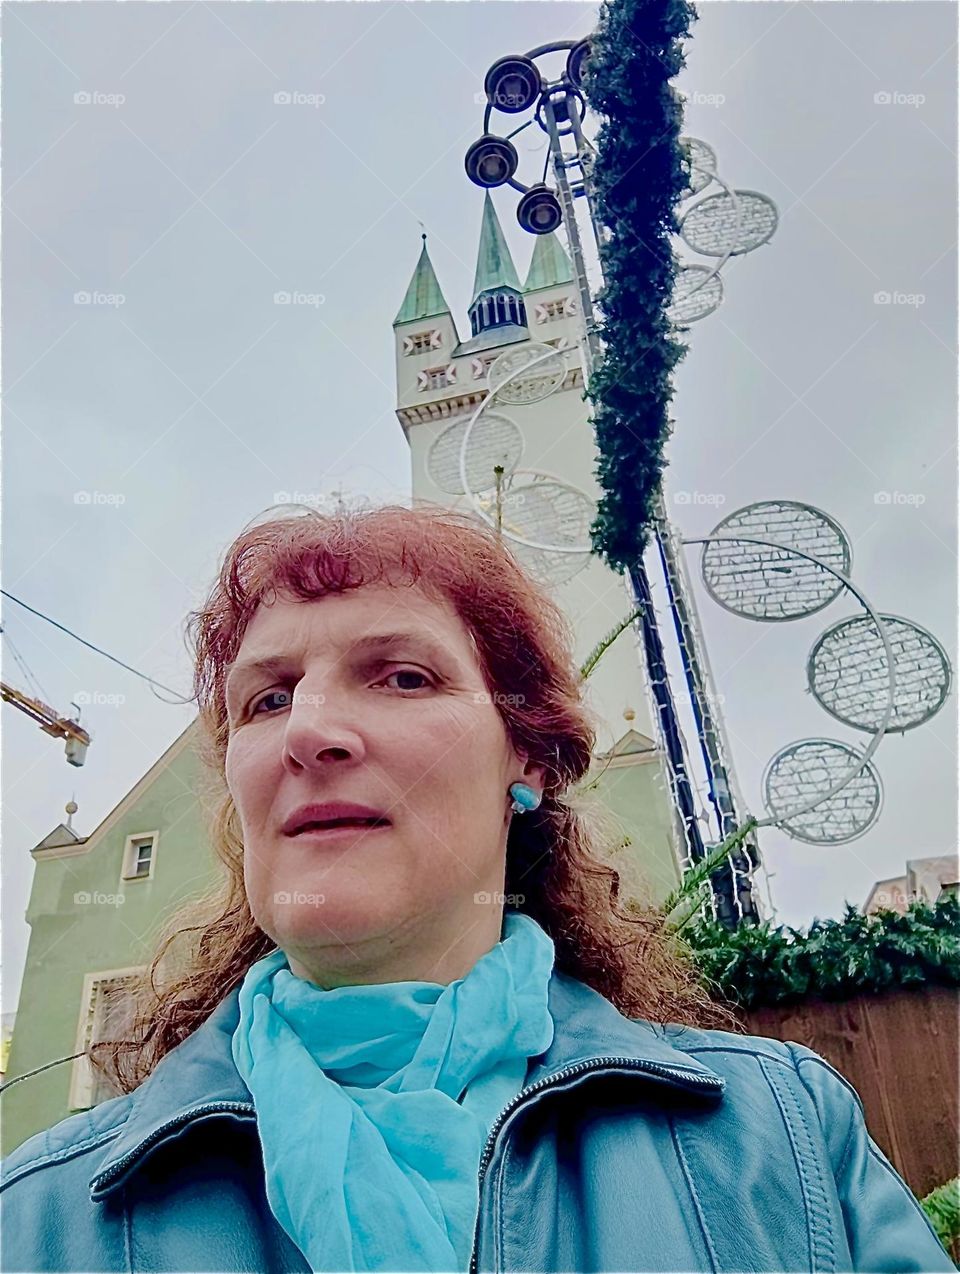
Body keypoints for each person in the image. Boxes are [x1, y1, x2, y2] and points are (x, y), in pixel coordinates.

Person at [1, 505, 951, 1274]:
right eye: (269, 698)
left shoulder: (778, 1143)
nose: (309, 732)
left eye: (403, 678)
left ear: (527, 757)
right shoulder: (38, 1219)